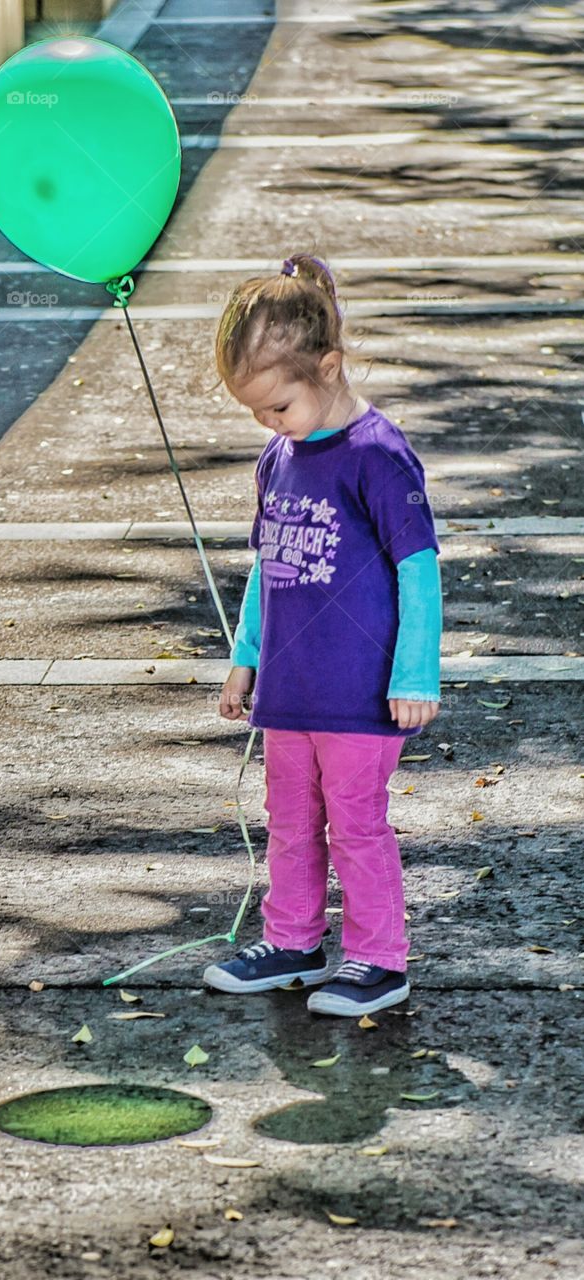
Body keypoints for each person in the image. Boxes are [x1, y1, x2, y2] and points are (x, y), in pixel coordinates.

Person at [202, 253, 443, 1016]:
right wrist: (245, 662)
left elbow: (418, 569)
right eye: (256, 412)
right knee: (291, 822)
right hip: (289, 689)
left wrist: (414, 674)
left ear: (328, 367)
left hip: (361, 691)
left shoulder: (377, 454)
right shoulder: (278, 458)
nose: (267, 424)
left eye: (277, 406)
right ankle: (293, 942)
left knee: (356, 826)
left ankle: (378, 958)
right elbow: (266, 568)